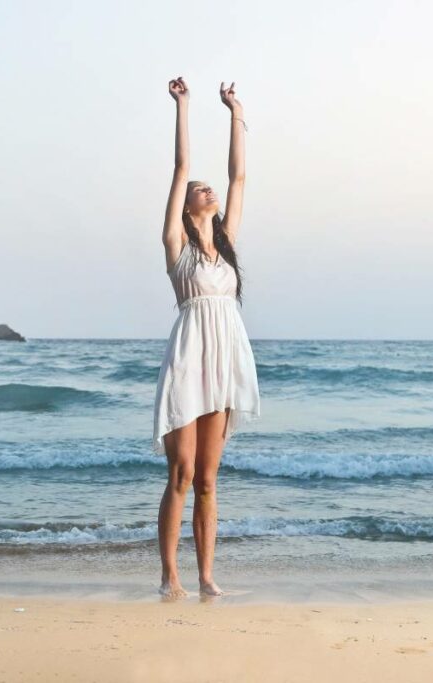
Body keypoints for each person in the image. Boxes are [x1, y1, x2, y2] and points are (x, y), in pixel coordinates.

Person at [153, 76, 262, 599]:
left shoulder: (227, 243)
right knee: (181, 472)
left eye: (207, 188)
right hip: (188, 357)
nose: (209, 190)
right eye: (201, 189)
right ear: (188, 204)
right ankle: (170, 574)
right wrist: (185, 106)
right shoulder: (177, 246)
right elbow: (179, 168)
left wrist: (236, 111)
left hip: (224, 359)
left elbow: (239, 178)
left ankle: (206, 576)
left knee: (209, 481)